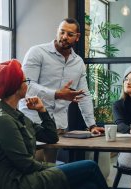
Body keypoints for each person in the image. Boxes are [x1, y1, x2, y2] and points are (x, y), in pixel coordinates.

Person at [0, 59, 113, 189]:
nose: (27, 84)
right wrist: (57, 167)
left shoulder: (17, 115)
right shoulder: (4, 120)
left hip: (29, 176)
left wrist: (42, 110)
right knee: (90, 166)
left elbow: (51, 137)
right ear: (16, 87)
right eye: (25, 81)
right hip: (18, 184)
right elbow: (26, 164)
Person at [18, 18, 104, 162]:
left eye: (70, 34)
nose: (64, 37)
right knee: (35, 166)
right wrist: (57, 94)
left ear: (77, 37)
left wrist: (92, 125)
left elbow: (84, 95)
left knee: (50, 170)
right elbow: (27, 86)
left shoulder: (78, 63)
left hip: (57, 127)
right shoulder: (37, 52)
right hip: (32, 122)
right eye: (61, 32)